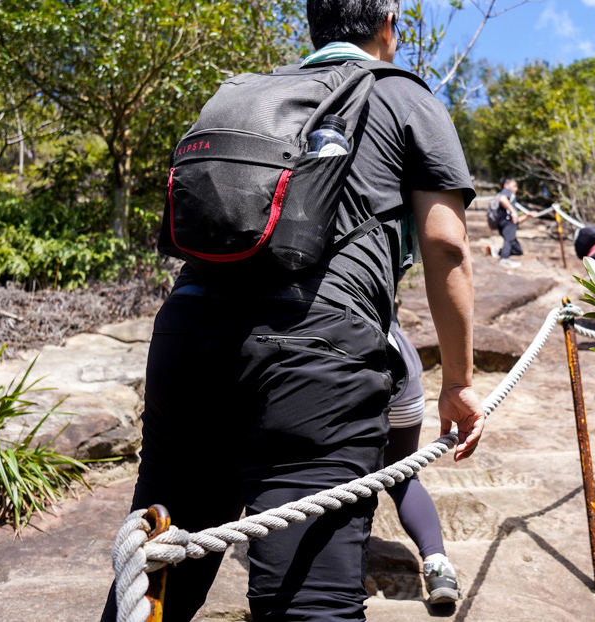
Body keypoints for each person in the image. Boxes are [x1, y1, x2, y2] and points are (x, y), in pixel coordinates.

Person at [98, 2, 486, 621]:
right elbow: (446, 242)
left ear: (314, 29)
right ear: (389, 25)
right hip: (314, 358)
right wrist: (460, 384)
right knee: (309, 603)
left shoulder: (255, 95)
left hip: (187, 337)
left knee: (156, 579)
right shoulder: (402, 96)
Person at [386, 320, 460, 604]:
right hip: (401, 369)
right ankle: (439, 567)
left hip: (335, 368)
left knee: (333, 478)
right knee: (404, 479)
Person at [487, 178, 529, 268]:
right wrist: (513, 211)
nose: (516, 188)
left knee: (518, 250)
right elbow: (502, 199)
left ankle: (497, 251)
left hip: (503, 223)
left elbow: (517, 221)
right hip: (507, 222)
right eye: (514, 185)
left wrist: (527, 216)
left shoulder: (511, 196)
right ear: (506, 185)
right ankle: (504, 259)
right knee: (508, 241)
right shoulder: (506, 191)